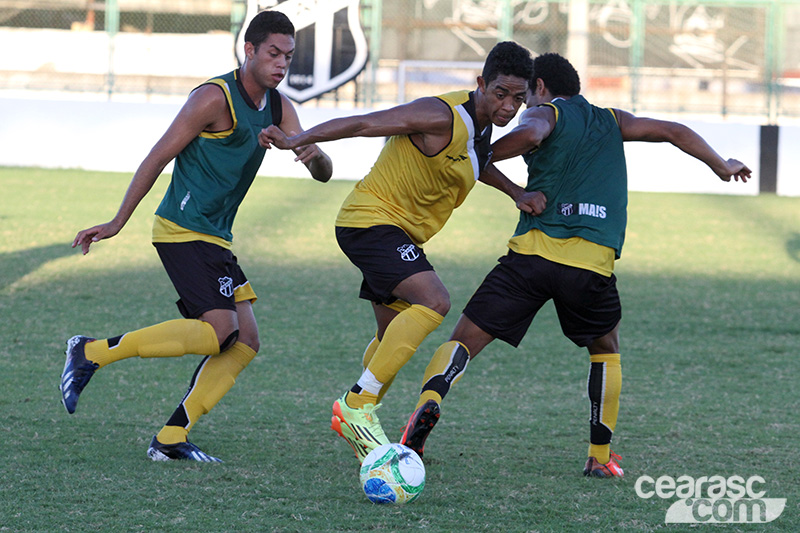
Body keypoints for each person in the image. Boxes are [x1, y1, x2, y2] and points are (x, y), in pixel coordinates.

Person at [399, 52, 751, 477]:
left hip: (530, 256)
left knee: (464, 341)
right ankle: (600, 459)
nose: (521, 105)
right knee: (606, 351)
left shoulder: (546, 111)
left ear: (541, 87)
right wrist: (721, 165)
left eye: (525, 95)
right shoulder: (612, 119)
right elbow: (673, 130)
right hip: (591, 265)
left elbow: (532, 131)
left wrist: (480, 151)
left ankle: (424, 413)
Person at [60, 10, 332, 462]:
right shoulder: (213, 97)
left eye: (288, 55)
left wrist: (302, 150)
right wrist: (117, 221)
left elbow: (323, 172)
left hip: (216, 238)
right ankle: (90, 351)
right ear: (249, 50)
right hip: (182, 229)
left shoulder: (282, 108)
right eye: (273, 53)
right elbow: (157, 156)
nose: (282, 64)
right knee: (221, 331)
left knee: (246, 341)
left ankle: (171, 438)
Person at [259, 41, 534, 464]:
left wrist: (516, 192)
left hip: (394, 234)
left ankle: (360, 429)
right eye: (500, 93)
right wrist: (299, 138)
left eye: (518, 98)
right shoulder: (441, 114)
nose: (508, 106)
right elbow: (367, 122)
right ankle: (357, 405)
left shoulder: (480, 131)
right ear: (480, 84)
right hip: (372, 223)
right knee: (435, 300)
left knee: (391, 337)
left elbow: (478, 161)